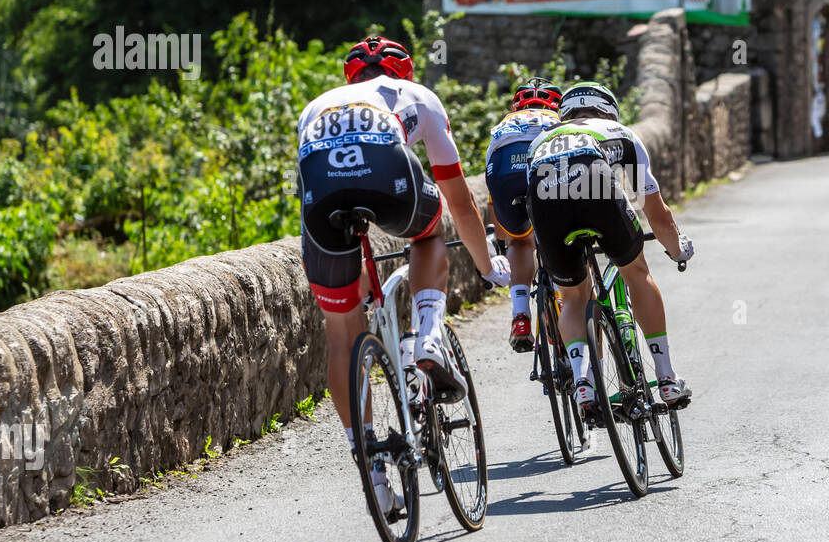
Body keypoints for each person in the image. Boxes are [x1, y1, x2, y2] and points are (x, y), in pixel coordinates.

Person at [296, 35, 509, 515]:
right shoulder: (419, 99)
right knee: (429, 234)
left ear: (350, 78)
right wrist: (484, 264)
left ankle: (371, 469)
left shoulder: (315, 108)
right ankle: (429, 332)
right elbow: (457, 196)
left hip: (322, 198)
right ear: (403, 73)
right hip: (387, 173)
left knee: (340, 335)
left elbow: (315, 189)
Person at [525, 81, 695, 422]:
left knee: (572, 296)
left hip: (545, 196)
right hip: (595, 183)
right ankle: (665, 378)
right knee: (636, 271)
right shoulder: (619, 132)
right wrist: (678, 250)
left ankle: (585, 384)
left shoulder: (540, 141)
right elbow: (656, 212)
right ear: (609, 110)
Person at [484, 78, 562, 353]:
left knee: (518, 241)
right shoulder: (559, 120)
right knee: (565, 233)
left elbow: (494, 202)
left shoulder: (504, 124)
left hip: (505, 167)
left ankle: (520, 316)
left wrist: (508, 243)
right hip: (548, 164)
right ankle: (564, 300)